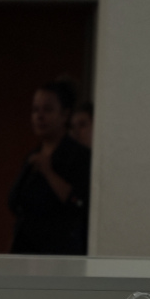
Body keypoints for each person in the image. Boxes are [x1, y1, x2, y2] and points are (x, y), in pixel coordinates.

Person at [9, 79, 91, 255]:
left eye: (47, 109)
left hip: (59, 255)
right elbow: (15, 202)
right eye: (35, 110)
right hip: (26, 253)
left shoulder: (79, 156)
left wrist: (48, 172)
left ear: (65, 115)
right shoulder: (34, 155)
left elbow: (79, 203)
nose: (39, 116)